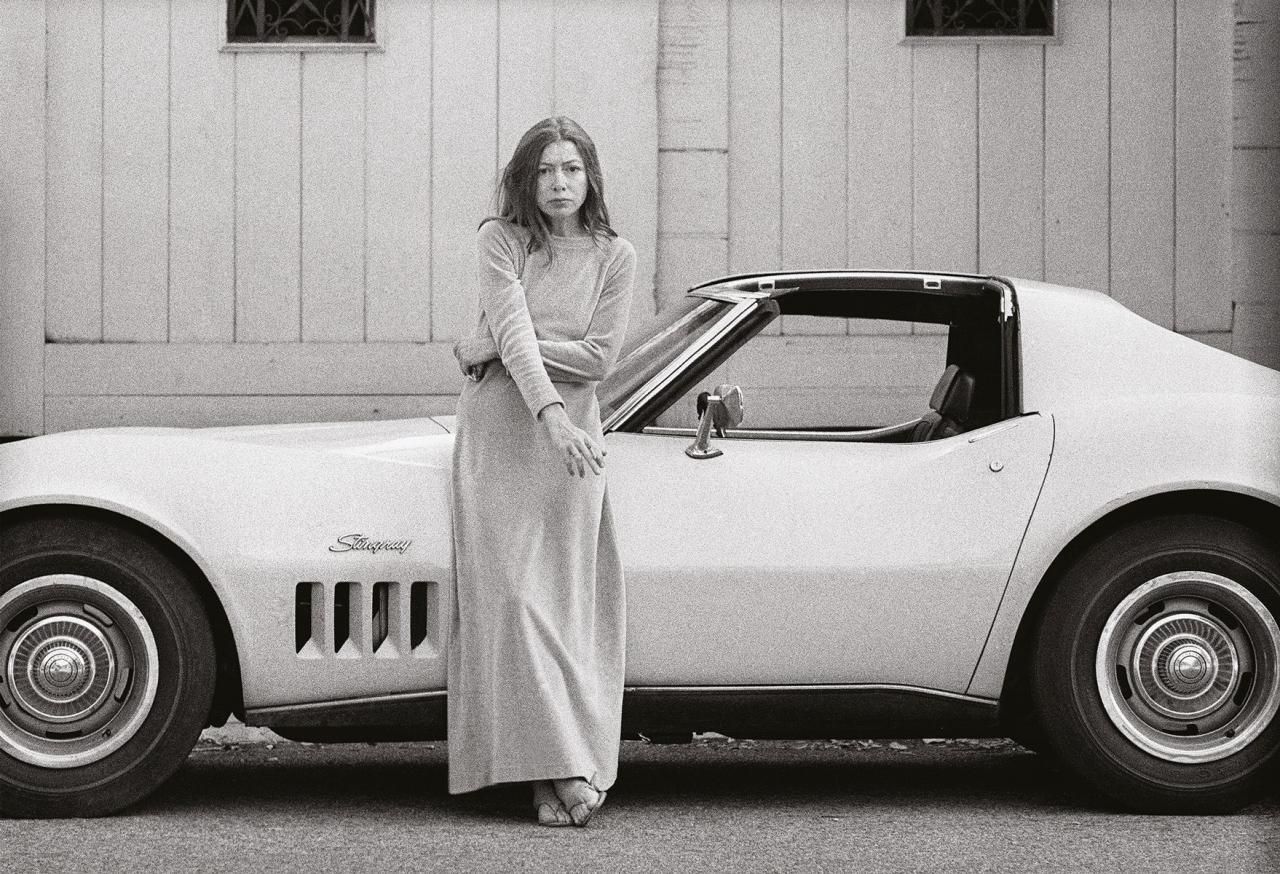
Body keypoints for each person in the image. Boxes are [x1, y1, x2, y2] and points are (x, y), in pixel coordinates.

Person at [447, 116, 637, 827]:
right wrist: (547, 407)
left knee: (562, 611)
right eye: (545, 170)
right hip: (505, 431)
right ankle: (560, 767)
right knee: (514, 604)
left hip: (573, 446)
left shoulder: (616, 255)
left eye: (571, 169)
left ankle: (548, 775)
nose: (559, 183)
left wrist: (496, 344)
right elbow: (524, 339)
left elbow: (600, 359)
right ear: (525, 180)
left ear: (590, 177)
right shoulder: (501, 240)